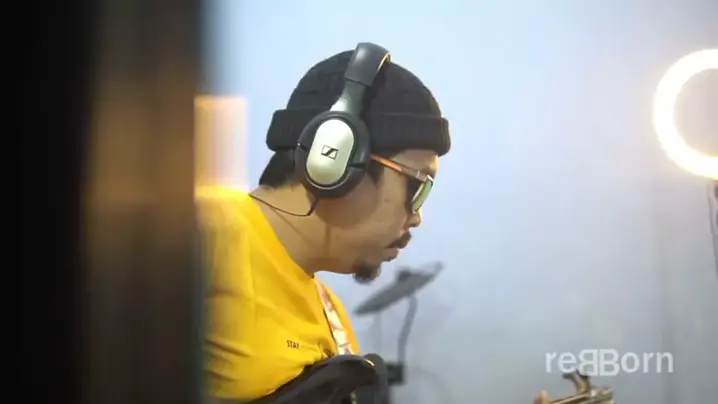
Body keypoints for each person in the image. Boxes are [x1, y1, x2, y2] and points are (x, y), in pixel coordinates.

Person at [200, 43, 550, 404]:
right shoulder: (210, 230)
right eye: (417, 186)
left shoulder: (332, 313)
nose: (417, 216)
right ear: (333, 161)